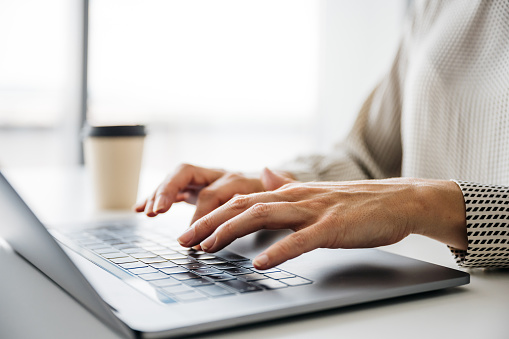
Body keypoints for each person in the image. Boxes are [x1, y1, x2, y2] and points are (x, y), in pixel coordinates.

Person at [135, 0, 509, 270]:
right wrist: (281, 188)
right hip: (429, 297)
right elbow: (368, 158)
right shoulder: (437, 6)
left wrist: (425, 204)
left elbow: (402, 197)